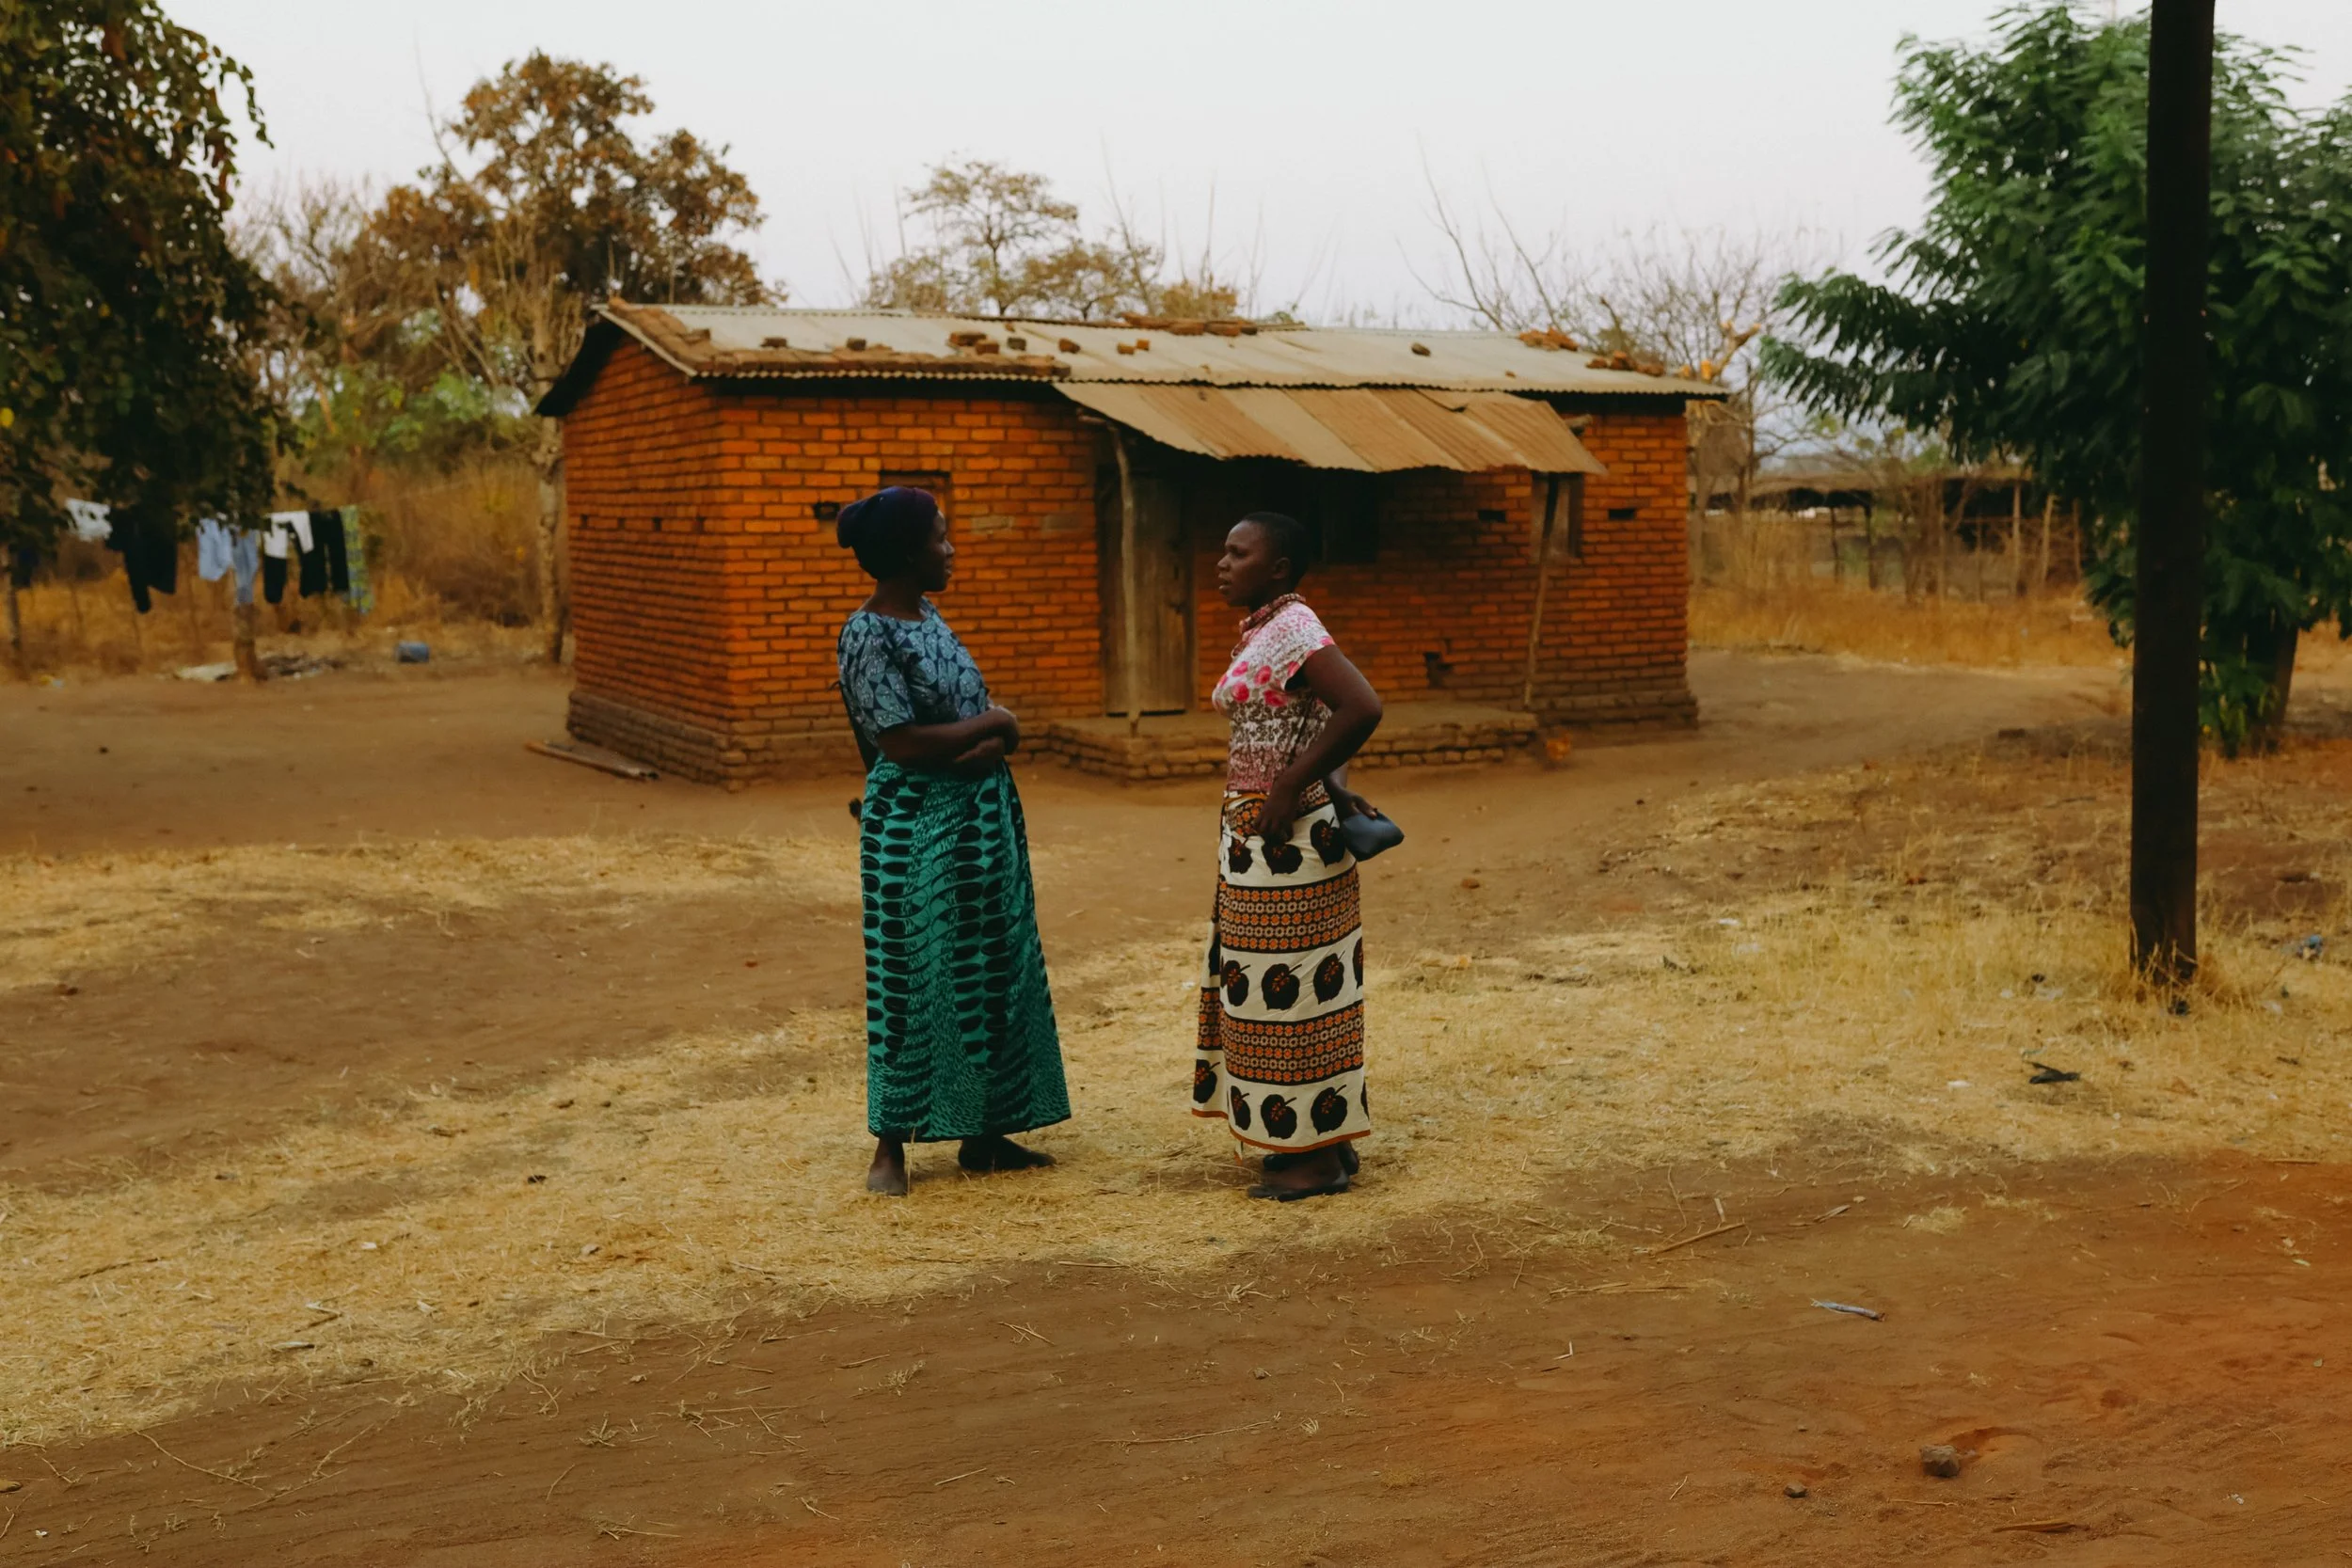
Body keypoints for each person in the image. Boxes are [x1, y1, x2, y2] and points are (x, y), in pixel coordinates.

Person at [834, 486, 1070, 1196]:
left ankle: (986, 1131)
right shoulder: (867, 632)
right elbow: (899, 741)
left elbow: (948, 725)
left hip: (978, 823)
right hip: (917, 830)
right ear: (909, 552)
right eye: (941, 536)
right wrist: (997, 722)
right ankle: (890, 1145)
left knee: (992, 969)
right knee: (913, 978)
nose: (952, 547)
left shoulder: (928, 616)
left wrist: (987, 740)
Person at [1192, 511, 1385, 1200]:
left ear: (1276, 568)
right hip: (1267, 839)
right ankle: (1314, 1139)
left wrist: (1289, 784)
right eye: (1224, 549)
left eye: (1237, 552)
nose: (1222, 562)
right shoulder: (1270, 628)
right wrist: (1327, 777)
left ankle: (1317, 1161)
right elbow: (1311, 714)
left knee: (1296, 998)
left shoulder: (1295, 629)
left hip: (1287, 843)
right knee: (1280, 994)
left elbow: (1360, 705)